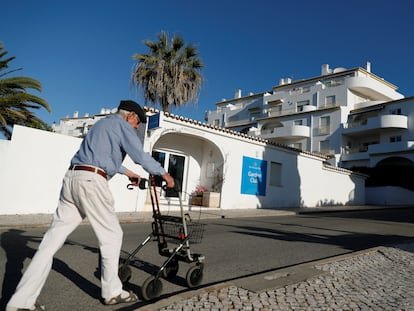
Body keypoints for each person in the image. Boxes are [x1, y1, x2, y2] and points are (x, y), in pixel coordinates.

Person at [6, 100, 175, 311]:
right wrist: (164, 174)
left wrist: (127, 173)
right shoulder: (122, 125)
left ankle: (20, 302)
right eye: (137, 122)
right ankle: (112, 292)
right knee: (112, 235)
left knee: (49, 244)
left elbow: (102, 158)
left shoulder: (102, 125)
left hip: (72, 178)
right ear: (130, 116)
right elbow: (139, 155)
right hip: (92, 182)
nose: (136, 127)